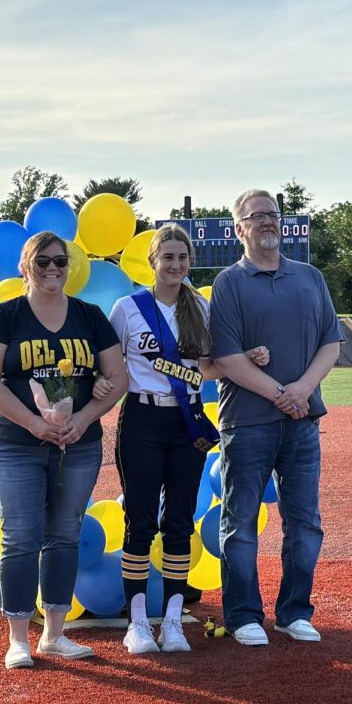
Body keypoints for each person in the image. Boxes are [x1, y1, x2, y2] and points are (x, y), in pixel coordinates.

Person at [96, 224, 269, 655]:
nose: (175, 265)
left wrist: (246, 359)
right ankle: (137, 623)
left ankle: (172, 621)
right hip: (141, 419)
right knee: (139, 520)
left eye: (182, 258)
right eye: (167, 257)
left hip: (187, 421)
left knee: (178, 521)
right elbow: (112, 366)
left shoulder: (201, 308)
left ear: (190, 262)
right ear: (152, 262)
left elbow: (212, 367)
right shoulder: (127, 308)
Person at [0, 231, 127, 669]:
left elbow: (117, 378)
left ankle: (55, 636)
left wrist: (84, 417)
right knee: (21, 537)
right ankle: (18, 638)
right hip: (17, 443)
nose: (52, 270)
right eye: (42, 262)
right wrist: (35, 425)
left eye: (60, 262)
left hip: (77, 444)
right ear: (25, 266)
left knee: (65, 536)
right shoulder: (6, 315)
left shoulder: (89, 315)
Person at [207, 189, 344, 646]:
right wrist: (282, 393)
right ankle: (244, 614)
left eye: (273, 214)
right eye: (256, 216)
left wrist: (302, 390)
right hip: (246, 422)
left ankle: (294, 611)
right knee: (240, 520)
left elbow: (331, 342)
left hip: (303, 420)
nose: (268, 222)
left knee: (304, 521)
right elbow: (226, 357)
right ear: (239, 228)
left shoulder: (310, 277)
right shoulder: (229, 282)